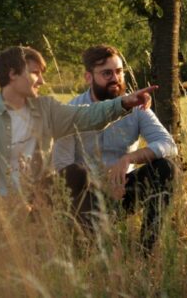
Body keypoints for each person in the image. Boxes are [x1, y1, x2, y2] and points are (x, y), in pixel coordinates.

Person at [0, 45, 158, 197]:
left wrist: (123, 103)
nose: (42, 81)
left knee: (76, 174)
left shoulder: (47, 109)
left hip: (40, 200)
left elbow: (86, 116)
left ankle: (90, 247)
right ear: (13, 74)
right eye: (35, 73)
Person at [52, 45, 177, 250]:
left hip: (122, 188)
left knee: (167, 167)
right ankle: (82, 244)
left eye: (119, 71)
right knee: (72, 173)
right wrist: (100, 186)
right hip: (85, 197)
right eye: (106, 73)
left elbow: (168, 144)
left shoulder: (136, 106)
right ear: (89, 77)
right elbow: (62, 166)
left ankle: (147, 251)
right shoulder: (72, 111)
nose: (115, 78)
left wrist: (128, 159)